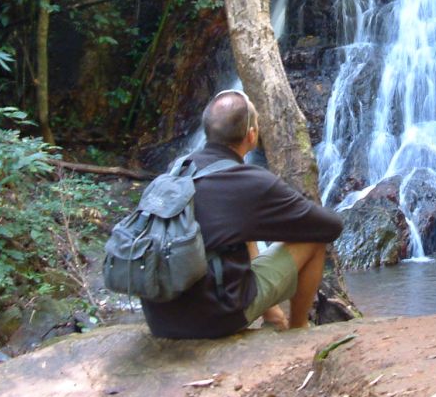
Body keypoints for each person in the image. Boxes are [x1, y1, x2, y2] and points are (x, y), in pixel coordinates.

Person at [141, 89, 343, 340]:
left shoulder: (178, 169)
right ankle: (298, 330)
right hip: (213, 320)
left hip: (158, 319)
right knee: (313, 240)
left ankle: (271, 315)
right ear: (251, 135)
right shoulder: (251, 182)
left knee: (239, 230)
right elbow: (330, 227)